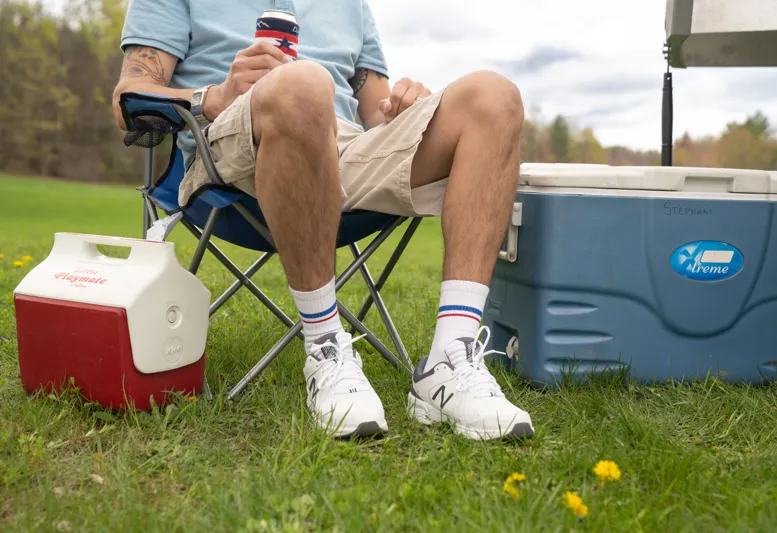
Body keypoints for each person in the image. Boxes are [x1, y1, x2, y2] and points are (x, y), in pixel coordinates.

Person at [114, 0, 533, 440]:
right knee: (302, 84)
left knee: (494, 96)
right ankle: (325, 349)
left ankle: (451, 359)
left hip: (345, 148)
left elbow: (376, 111)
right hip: (227, 150)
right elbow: (129, 97)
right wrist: (214, 97)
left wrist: (401, 107)